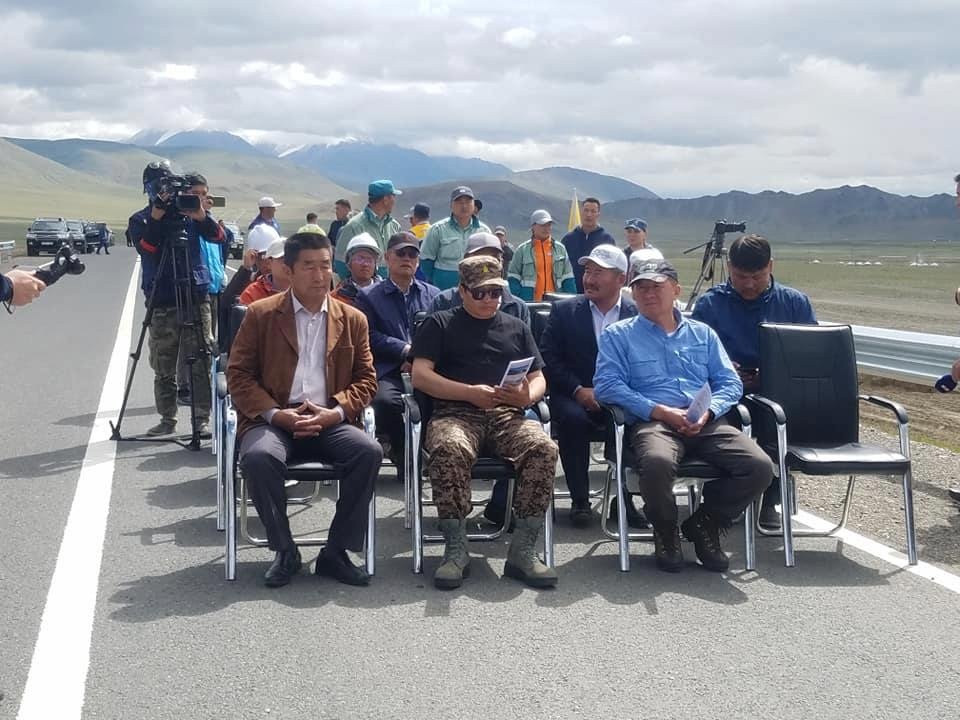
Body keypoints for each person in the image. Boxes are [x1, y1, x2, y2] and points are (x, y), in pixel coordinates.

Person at [593, 259, 773, 573]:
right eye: (641, 288)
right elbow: (607, 385)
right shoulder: (618, 335)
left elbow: (730, 382)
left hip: (705, 422)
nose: (649, 294)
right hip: (654, 421)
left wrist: (710, 411)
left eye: (656, 286)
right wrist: (659, 410)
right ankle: (665, 530)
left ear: (676, 290)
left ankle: (706, 522)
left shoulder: (703, 334)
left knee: (759, 467)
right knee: (657, 463)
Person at [227, 231, 381, 588]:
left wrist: (336, 412)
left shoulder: (353, 319)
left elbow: (366, 380)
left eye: (325, 266)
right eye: (309, 266)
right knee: (258, 458)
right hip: (275, 419)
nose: (319, 275)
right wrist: (275, 414)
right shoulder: (261, 315)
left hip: (329, 419)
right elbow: (238, 375)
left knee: (368, 452)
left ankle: (336, 552)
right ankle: (285, 551)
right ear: (289, 270)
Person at [411, 255, 559, 590]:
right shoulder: (439, 324)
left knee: (543, 448)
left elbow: (538, 378)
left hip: (507, 414)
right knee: (449, 447)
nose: (490, 299)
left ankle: (523, 550)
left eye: (495, 292)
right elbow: (420, 376)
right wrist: (469, 393)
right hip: (456, 413)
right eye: (480, 293)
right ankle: (455, 547)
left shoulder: (517, 327)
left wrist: (527, 396)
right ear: (462, 291)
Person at [691, 234, 816, 529]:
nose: (748, 284)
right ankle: (722, 500)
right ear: (729, 268)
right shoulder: (710, 305)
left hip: (776, 394)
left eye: (756, 277)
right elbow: (691, 358)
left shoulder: (794, 304)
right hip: (724, 395)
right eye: (740, 277)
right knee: (718, 429)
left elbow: (811, 357)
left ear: (770, 266)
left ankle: (770, 500)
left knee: (779, 421)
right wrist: (723, 371)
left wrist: (773, 372)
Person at [539, 245, 641, 527]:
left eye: (599, 273)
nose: (589, 279)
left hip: (620, 395)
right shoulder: (565, 311)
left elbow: (645, 361)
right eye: (587, 271)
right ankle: (580, 500)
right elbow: (548, 357)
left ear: (621, 279)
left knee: (629, 419)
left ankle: (624, 500)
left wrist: (614, 391)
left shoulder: (636, 314)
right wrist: (577, 389)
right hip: (573, 393)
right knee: (573, 420)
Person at [129, 165, 224, 437]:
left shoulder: (189, 213)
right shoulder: (140, 219)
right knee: (163, 363)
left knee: (201, 359)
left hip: (195, 295)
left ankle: (201, 420)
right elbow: (147, 249)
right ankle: (167, 419)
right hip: (162, 297)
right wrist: (157, 218)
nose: (165, 193)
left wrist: (200, 216)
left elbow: (218, 237)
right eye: (160, 187)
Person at [355, 232, 439, 476]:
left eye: (412, 254)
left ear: (418, 261)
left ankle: (424, 452)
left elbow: (443, 333)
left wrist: (419, 358)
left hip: (427, 369)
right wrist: (405, 351)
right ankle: (404, 454)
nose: (406, 258)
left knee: (435, 399)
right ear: (387, 258)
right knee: (383, 402)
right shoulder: (368, 296)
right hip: (388, 370)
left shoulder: (434, 295)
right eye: (401, 253)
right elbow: (368, 335)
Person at [428, 232, 530, 325]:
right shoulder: (443, 303)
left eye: (494, 258)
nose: (486, 265)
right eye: (479, 258)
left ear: (502, 262)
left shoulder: (517, 308)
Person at [420, 186, 491, 290]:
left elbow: (489, 261)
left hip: (474, 290)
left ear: (474, 205)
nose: (464, 206)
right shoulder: (437, 229)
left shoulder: (484, 231)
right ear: (451, 206)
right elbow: (426, 261)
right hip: (443, 289)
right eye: (459, 202)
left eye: (468, 202)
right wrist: (436, 280)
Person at [334, 181, 402, 278]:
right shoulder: (354, 226)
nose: (394, 201)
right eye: (393, 196)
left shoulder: (394, 226)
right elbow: (341, 263)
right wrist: (358, 285)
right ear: (386, 199)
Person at [508, 209, 576, 301]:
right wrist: (520, 299)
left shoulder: (560, 249)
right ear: (533, 226)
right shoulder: (522, 250)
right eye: (542, 225)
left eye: (549, 225)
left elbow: (568, 278)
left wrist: (571, 300)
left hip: (555, 303)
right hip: (529, 303)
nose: (546, 228)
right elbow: (513, 277)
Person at [560, 197, 616, 293]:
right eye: (586, 210)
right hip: (571, 292)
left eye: (593, 211)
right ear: (581, 212)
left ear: (598, 214)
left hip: (598, 293)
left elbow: (612, 269)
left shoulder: (607, 240)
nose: (589, 214)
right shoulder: (568, 239)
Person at [331, 233, 383, 306]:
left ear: (375, 265)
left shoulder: (387, 294)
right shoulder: (336, 298)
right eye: (360, 259)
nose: (365, 264)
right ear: (349, 264)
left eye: (369, 259)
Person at [239, 238, 291, 306]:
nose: (289, 264)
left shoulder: (303, 290)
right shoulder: (252, 293)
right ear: (269, 263)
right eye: (283, 259)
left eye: (294, 259)